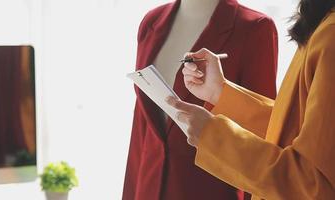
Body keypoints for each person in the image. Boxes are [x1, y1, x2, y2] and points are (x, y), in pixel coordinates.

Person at [166, 1, 335, 199]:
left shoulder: (330, 35)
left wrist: (214, 137)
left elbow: (313, 186)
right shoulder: (323, 26)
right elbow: (295, 131)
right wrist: (221, 93)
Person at [123, 0, 278, 199]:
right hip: (148, 188)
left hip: (209, 190)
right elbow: (141, 126)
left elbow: (264, 138)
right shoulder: (152, 21)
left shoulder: (255, 27)